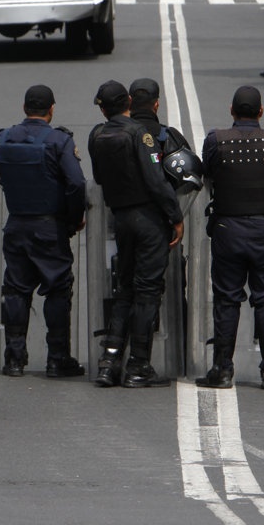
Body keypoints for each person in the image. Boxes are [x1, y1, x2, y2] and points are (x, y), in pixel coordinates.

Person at [0, 85, 87, 378]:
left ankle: (14, 359)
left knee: (16, 290)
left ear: (24, 108)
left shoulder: (5, 137)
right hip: (49, 227)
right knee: (58, 288)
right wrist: (73, 219)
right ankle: (57, 358)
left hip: (16, 225)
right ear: (51, 109)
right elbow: (76, 183)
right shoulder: (59, 140)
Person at [87, 81, 184, 388]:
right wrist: (175, 216)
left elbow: (99, 177)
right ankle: (139, 365)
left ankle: (109, 363)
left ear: (103, 109)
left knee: (124, 289)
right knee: (147, 292)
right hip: (148, 220)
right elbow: (156, 181)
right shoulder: (140, 134)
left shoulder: (97, 135)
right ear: (128, 102)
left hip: (121, 219)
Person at [197, 86, 264, 390]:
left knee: (227, 299)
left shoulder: (216, 140)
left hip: (228, 229)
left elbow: (208, 171)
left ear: (232, 110)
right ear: (261, 111)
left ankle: (222, 370)